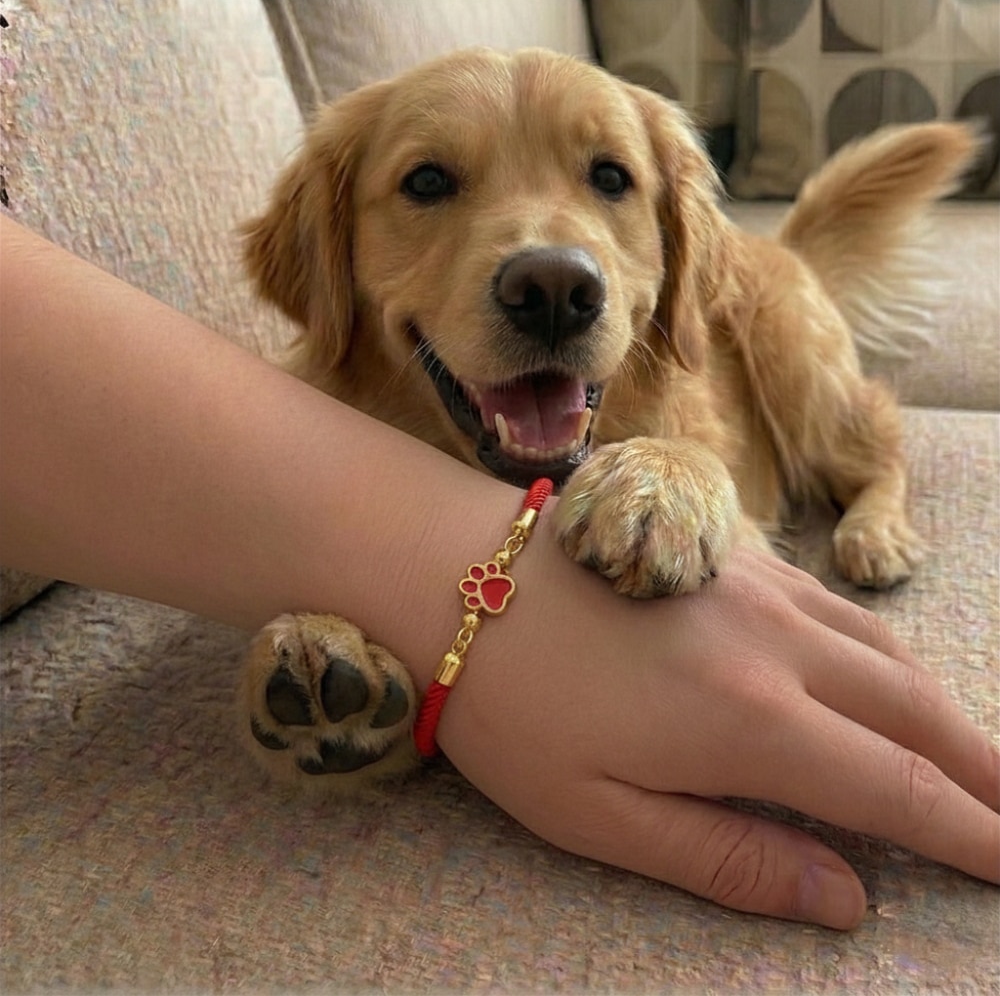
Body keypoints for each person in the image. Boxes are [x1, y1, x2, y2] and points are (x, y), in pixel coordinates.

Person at [1, 214, 997, 932]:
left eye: (608, 178)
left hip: (748, 330)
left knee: (803, 369)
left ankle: (884, 482)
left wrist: (701, 469)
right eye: (432, 182)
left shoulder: (699, 333)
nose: (545, 260)